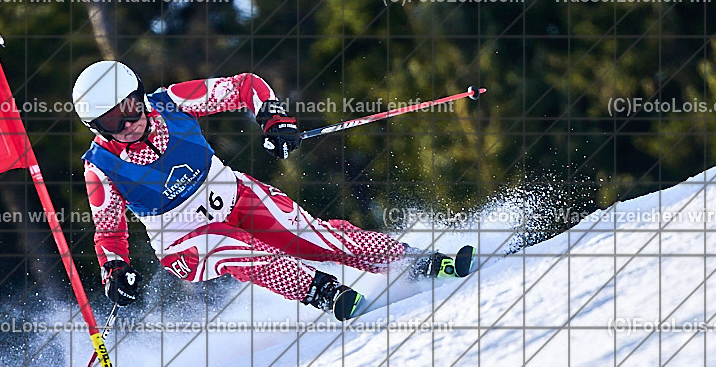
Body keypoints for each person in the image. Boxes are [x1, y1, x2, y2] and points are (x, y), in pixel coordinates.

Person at [73, 61, 456, 321]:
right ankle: (322, 291)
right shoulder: (101, 165)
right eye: (110, 120)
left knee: (314, 238)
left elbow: (244, 87)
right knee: (233, 246)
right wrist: (115, 269)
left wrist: (274, 119)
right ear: (96, 126)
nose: (125, 124)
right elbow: (109, 231)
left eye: (128, 108)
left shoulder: (171, 103)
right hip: (182, 240)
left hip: (232, 194)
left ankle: (415, 261)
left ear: (139, 96)